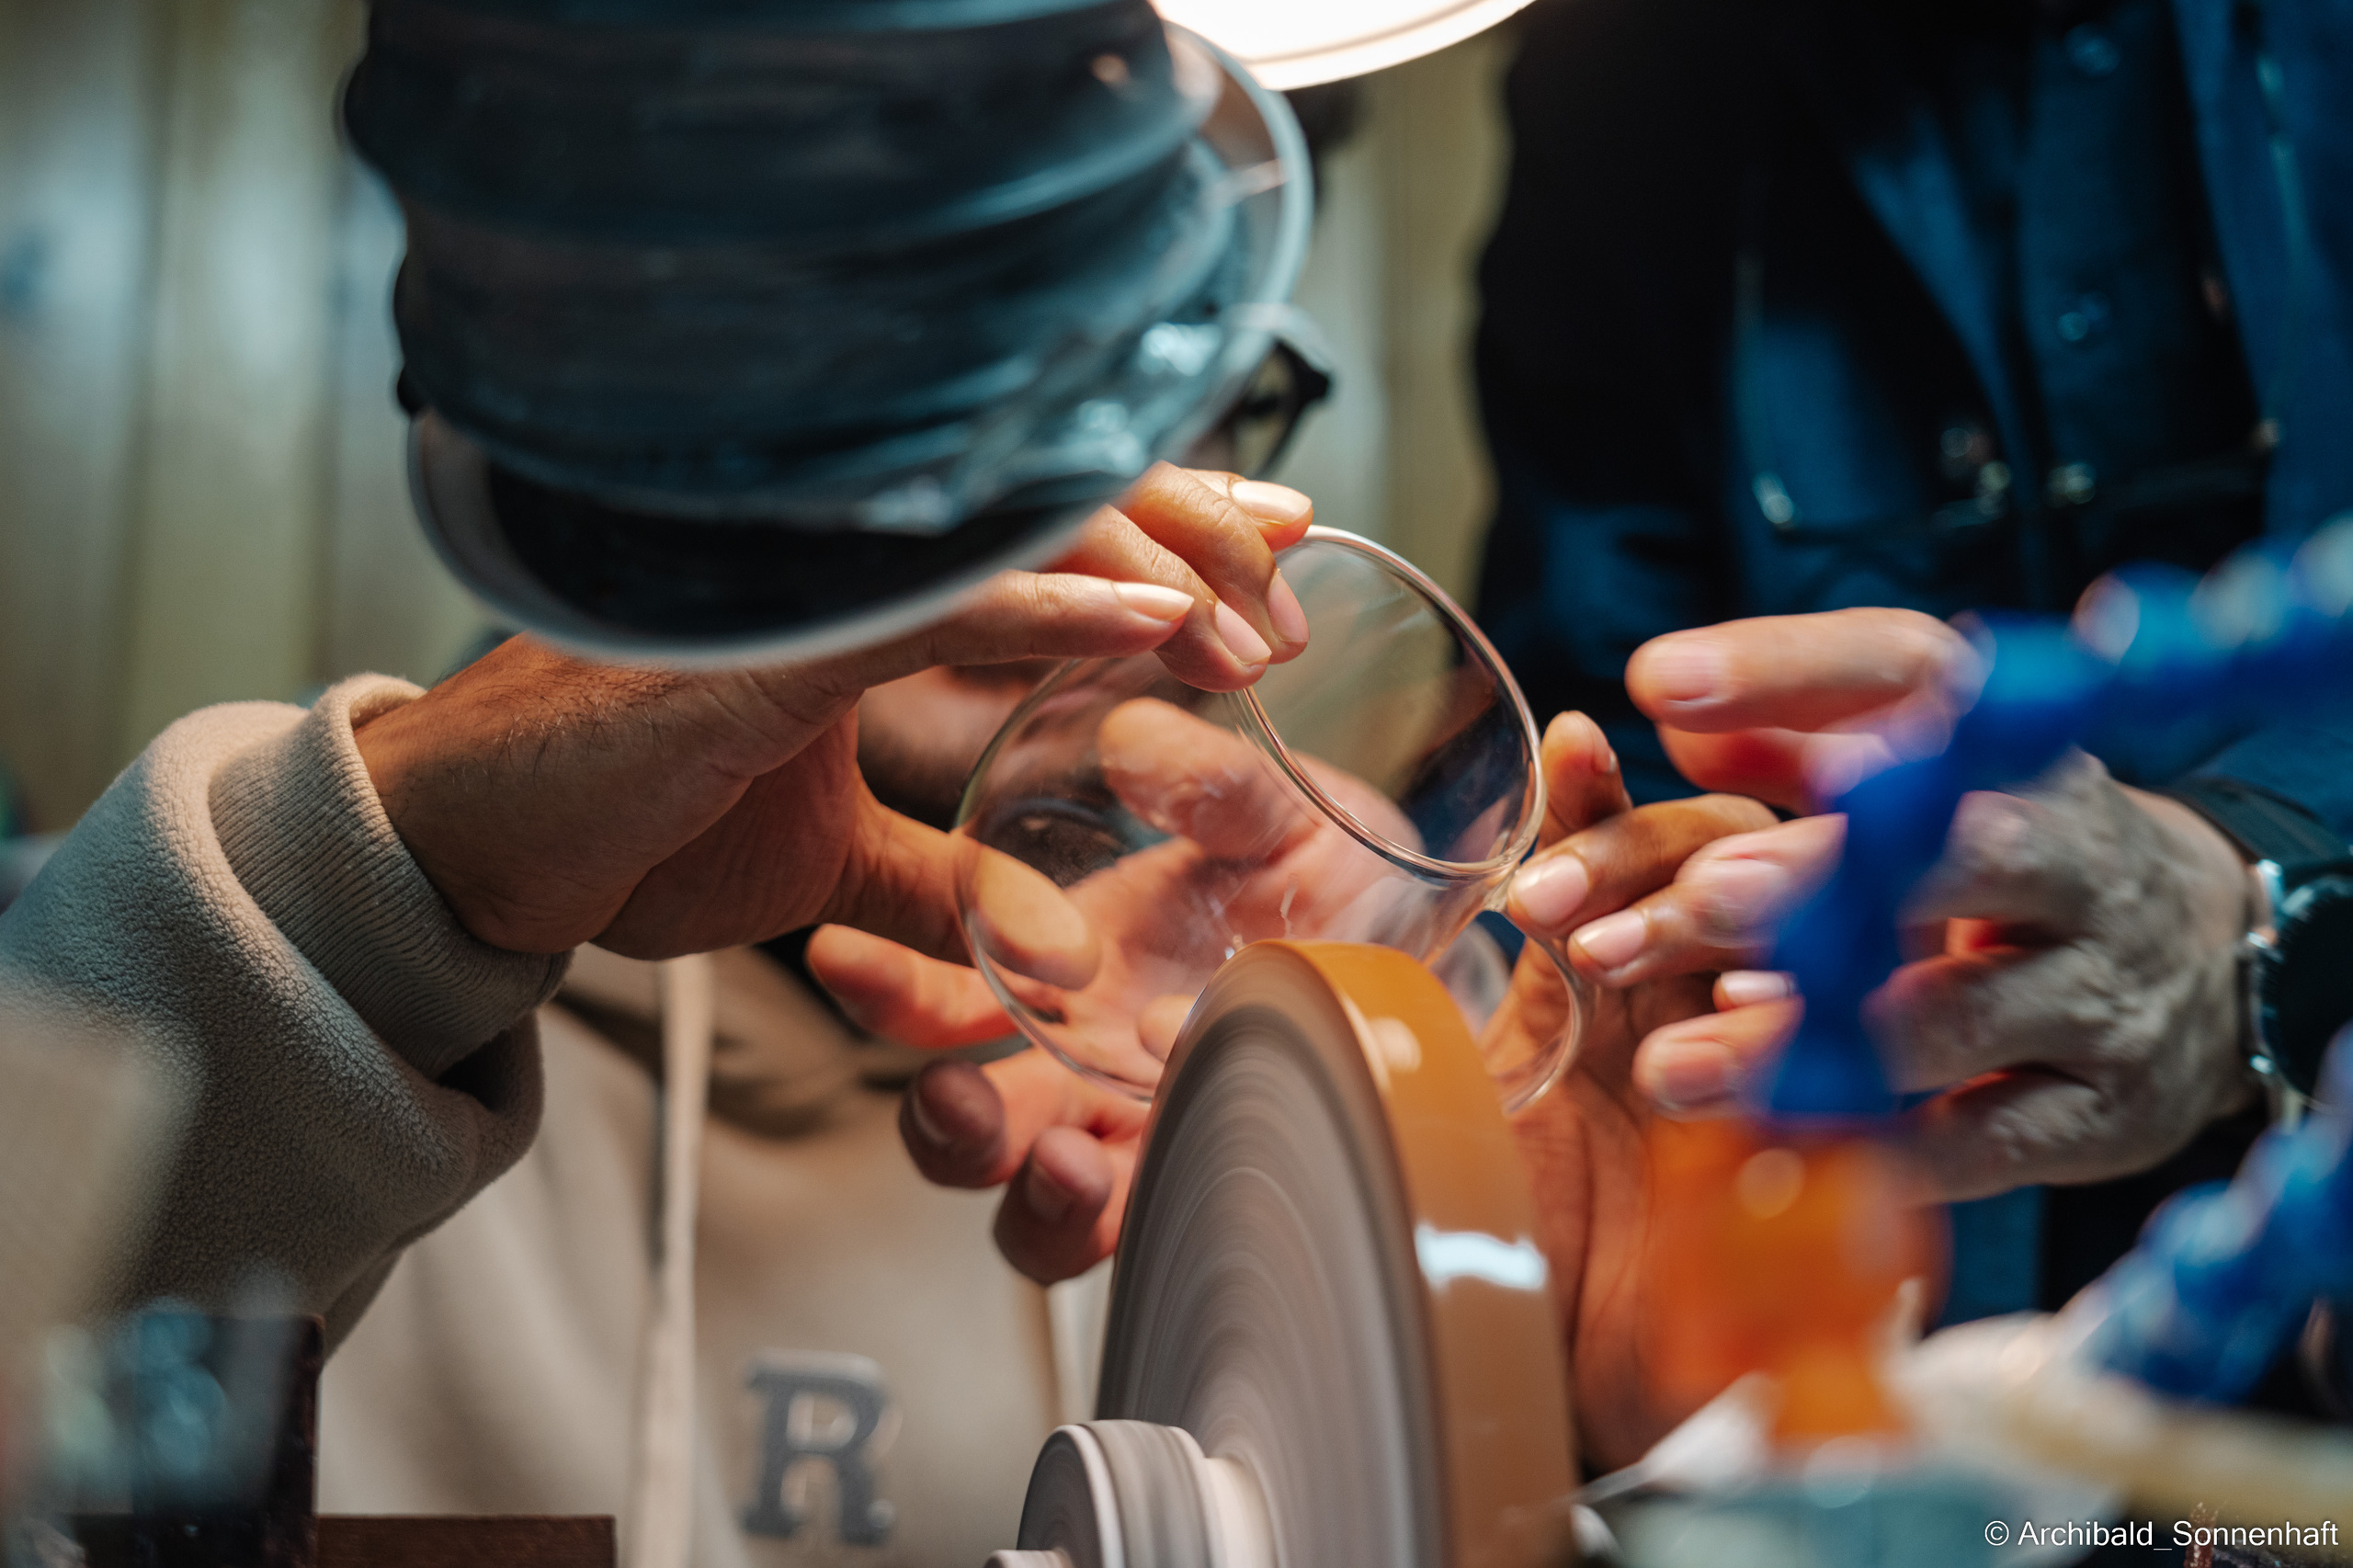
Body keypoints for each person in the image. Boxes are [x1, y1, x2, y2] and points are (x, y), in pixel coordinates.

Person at [1466, 0, 2353, 1327]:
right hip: (1879, 1295)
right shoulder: (1623, 82)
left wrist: (2255, 913)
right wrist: (1436, 965)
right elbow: (1593, 744)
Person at [0, 466, 1312, 1344]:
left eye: (1161, 385)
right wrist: (384, 896)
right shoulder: (148, 938)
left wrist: (1435, 1167)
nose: (1037, 502)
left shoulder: (1209, 1072)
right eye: (951, 391)